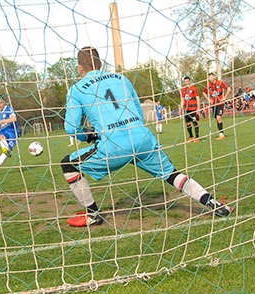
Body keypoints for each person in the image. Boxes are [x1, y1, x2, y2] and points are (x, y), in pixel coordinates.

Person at [60, 47, 232, 227]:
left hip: (113, 146)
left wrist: (88, 136)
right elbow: (137, 111)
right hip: (142, 137)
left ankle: (93, 214)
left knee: (68, 164)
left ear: (80, 68)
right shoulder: (122, 79)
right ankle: (214, 204)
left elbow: (71, 128)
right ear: (101, 63)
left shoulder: (76, 89)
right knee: (172, 175)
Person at [0, 95, 19, 174]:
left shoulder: (8, 109)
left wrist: (2, 121)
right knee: (1, 136)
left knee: (6, 151)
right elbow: (1, 127)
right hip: (4, 131)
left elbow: (14, 119)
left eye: (0, 103)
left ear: (4, 102)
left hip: (13, 132)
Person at [203, 72, 231, 140]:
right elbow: (204, 92)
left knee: (218, 118)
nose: (210, 78)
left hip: (220, 103)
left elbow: (229, 88)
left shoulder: (220, 82)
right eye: (209, 77)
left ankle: (221, 134)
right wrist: (209, 99)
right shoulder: (208, 85)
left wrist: (224, 98)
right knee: (217, 119)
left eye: (211, 77)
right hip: (213, 104)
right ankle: (221, 133)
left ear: (214, 77)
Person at [180, 76, 200, 143]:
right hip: (187, 109)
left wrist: (198, 108)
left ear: (190, 81)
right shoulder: (183, 90)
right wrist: (180, 108)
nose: (186, 82)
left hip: (193, 109)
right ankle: (191, 137)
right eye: (185, 81)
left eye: (187, 81)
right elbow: (182, 100)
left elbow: (197, 98)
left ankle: (197, 137)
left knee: (195, 123)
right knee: (188, 123)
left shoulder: (194, 88)